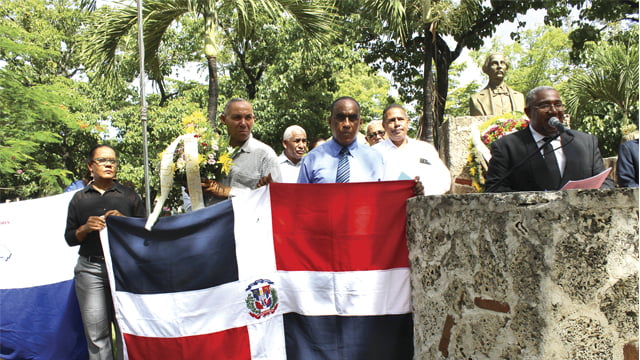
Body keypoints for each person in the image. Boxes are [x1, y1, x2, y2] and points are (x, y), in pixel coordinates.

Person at [64, 144, 146, 359]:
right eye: (102, 160)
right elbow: (70, 238)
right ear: (91, 166)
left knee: (126, 327)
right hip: (90, 270)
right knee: (96, 332)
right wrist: (84, 228)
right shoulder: (80, 199)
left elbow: (145, 233)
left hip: (123, 269)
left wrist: (124, 221)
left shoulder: (129, 197)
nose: (109, 164)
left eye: (113, 160)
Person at [485, 86, 615, 192]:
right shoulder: (506, 147)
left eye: (558, 105)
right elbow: (495, 189)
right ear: (528, 112)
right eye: (544, 106)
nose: (553, 111)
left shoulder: (586, 142)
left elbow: (605, 182)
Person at [297, 97, 424, 195]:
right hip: (324, 228)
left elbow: (391, 195)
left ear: (360, 123)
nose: (347, 124)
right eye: (341, 118)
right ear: (330, 122)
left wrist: (412, 190)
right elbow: (300, 202)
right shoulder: (312, 159)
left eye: (352, 118)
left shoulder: (376, 158)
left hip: (365, 228)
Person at [201, 98, 281, 203]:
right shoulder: (209, 151)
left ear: (253, 119)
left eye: (248, 118)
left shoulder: (265, 155)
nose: (243, 123)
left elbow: (278, 197)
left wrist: (229, 192)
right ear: (223, 120)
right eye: (237, 118)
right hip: (212, 218)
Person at [373, 104, 451, 195]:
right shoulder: (374, 153)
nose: (397, 124)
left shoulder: (425, 149)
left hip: (422, 205)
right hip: (387, 206)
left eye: (400, 119)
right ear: (384, 125)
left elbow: (444, 179)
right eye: (391, 120)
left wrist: (424, 190)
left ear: (407, 122)